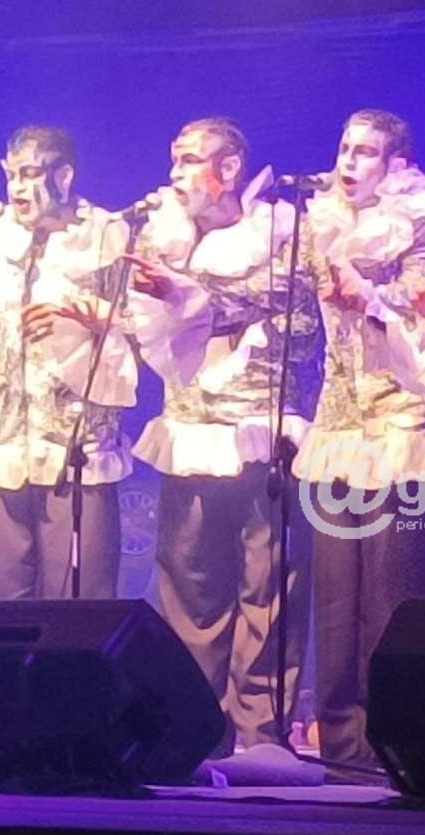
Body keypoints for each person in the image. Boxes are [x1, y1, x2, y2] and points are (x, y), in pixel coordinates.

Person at [0, 125, 197, 601]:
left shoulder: (109, 236)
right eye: (10, 174)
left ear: (64, 175)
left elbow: (156, 333)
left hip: (80, 455)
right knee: (2, 613)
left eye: (29, 173)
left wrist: (94, 317)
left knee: (78, 607)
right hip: (6, 451)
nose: (16, 187)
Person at [129, 117, 321, 750]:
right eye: (174, 159)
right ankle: (194, 731)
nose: (176, 174)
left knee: (268, 591)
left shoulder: (282, 233)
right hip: (190, 434)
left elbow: (280, 304)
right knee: (190, 590)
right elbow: (144, 325)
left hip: (261, 434)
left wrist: (186, 295)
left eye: (190, 160)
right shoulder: (163, 238)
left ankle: (260, 736)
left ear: (230, 168)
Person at [292, 108, 425, 769]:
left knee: (393, 600)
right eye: (344, 147)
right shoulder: (316, 223)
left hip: (401, 427)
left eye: (364, 151)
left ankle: (397, 750)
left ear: (396, 165)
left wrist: (368, 296)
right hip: (338, 426)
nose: (347, 161)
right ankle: (343, 750)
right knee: (337, 605)